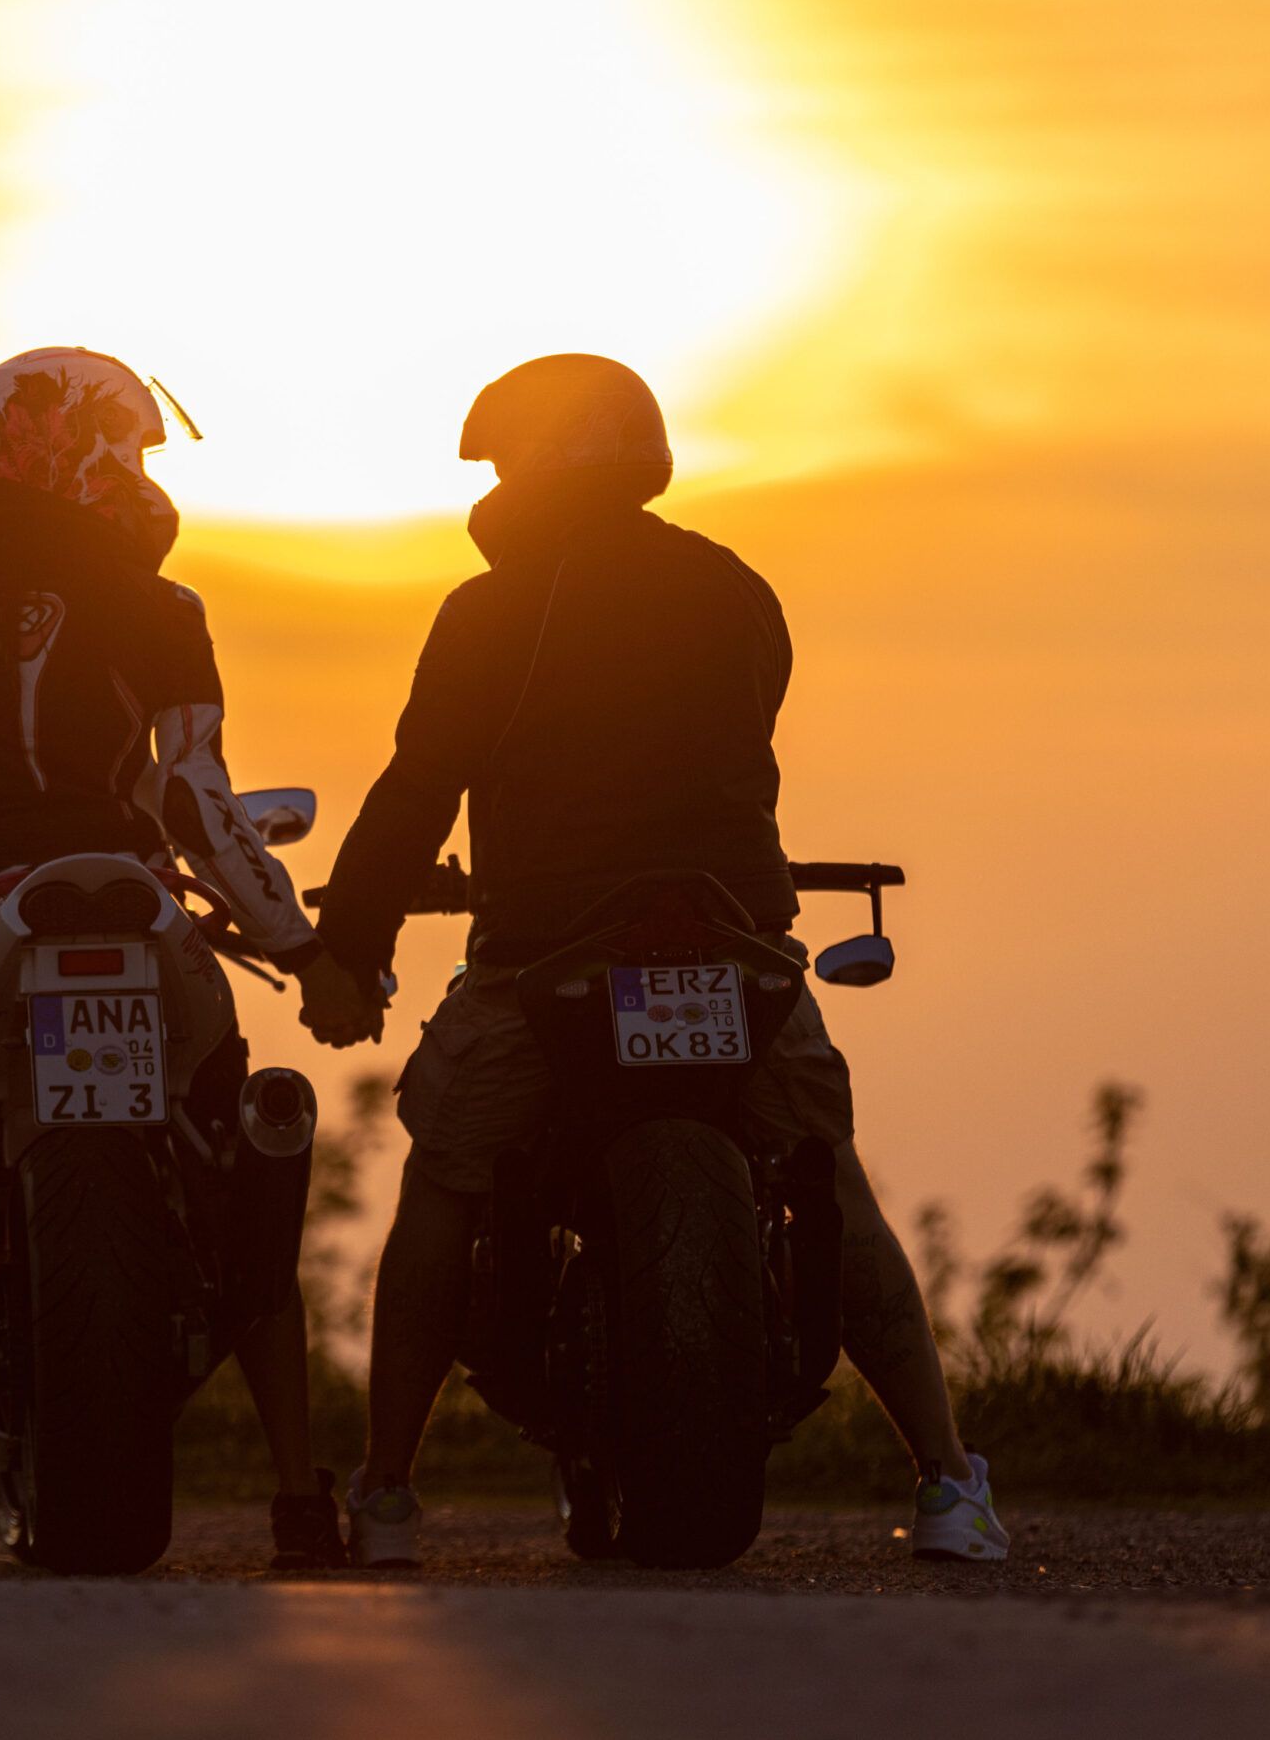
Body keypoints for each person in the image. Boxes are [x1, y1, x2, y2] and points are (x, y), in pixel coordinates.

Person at [300, 354, 1010, 1568]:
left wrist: (348, 952)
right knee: (827, 1181)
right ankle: (947, 1480)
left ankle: (387, 1491)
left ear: (519, 469)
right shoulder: (734, 589)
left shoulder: (491, 612)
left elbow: (421, 787)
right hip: (738, 949)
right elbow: (752, 722)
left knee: (447, 1177)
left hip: (544, 966)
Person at [0, 346, 373, 1577]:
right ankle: (301, 1497)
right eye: (137, 451)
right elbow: (203, 807)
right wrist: (305, 949)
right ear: (84, 454)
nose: (149, 479)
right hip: (145, 912)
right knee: (240, 1202)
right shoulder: (167, 612)